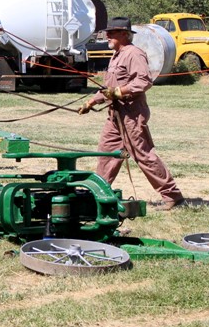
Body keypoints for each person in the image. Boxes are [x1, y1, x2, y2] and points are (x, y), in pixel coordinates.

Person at [78, 16, 185, 210]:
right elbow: (109, 87)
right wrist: (92, 101)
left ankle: (173, 196)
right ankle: (100, 195)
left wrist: (119, 92)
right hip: (115, 116)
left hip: (131, 115)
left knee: (143, 155)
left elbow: (143, 82)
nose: (107, 35)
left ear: (125, 34)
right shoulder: (117, 55)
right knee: (106, 153)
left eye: (112, 32)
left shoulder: (134, 54)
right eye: (107, 32)